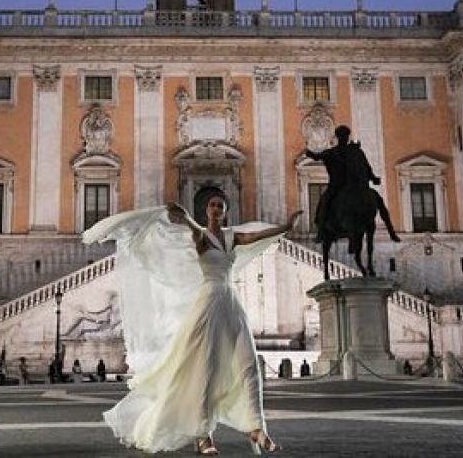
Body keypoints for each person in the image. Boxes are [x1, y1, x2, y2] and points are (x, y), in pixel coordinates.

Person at [84, 194, 301, 454]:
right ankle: (203, 435)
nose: (216, 208)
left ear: (226, 211)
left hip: (231, 303)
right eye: (213, 204)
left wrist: (286, 227)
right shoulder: (199, 237)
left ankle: (257, 428)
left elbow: (258, 236)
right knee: (205, 370)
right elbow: (192, 229)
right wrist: (185, 216)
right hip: (208, 303)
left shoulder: (233, 237)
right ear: (206, 210)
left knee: (249, 365)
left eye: (221, 205)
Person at [305, 125, 400, 245]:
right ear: (342, 137)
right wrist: (373, 178)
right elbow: (367, 168)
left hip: (338, 186)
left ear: (339, 137)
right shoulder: (351, 152)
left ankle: (320, 232)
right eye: (343, 136)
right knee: (379, 201)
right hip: (353, 185)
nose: (343, 138)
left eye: (343, 136)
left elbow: (365, 167)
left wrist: (309, 153)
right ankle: (391, 231)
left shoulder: (339, 152)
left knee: (325, 202)